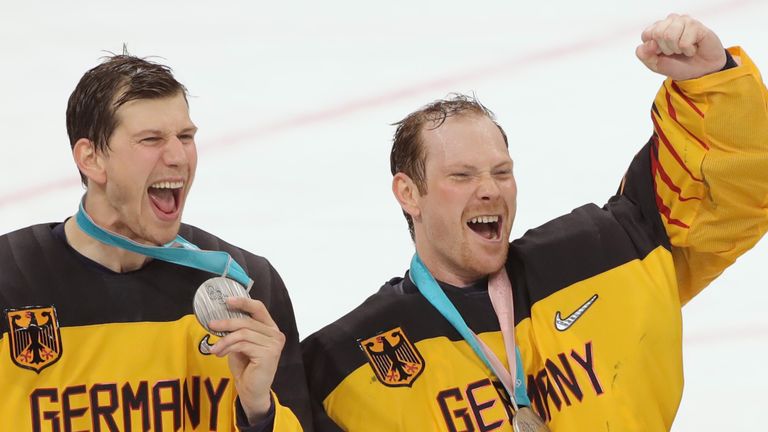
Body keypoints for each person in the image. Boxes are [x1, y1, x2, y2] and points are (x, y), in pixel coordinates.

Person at [301, 13, 768, 431]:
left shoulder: (607, 253)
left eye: (501, 172)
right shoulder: (347, 365)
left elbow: (726, 200)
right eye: (462, 176)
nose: (489, 189)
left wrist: (711, 83)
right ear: (409, 193)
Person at [0, 54, 311, 431]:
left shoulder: (244, 287)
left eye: (185, 137)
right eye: (151, 140)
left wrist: (259, 412)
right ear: (91, 158)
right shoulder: (9, 281)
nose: (179, 156)